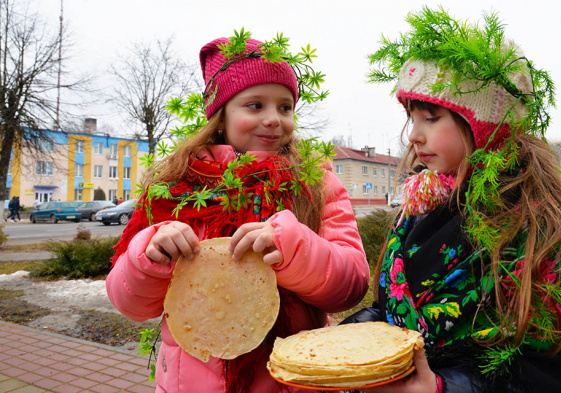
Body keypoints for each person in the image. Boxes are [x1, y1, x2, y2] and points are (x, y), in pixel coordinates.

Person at [343, 8, 561, 393]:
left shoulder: (537, 224)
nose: (413, 135)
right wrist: (349, 336)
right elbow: (399, 310)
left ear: (483, 126)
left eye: (431, 118)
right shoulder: (420, 206)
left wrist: (444, 388)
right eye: (413, 119)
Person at [106, 34, 369, 392]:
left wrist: (293, 249)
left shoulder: (315, 184)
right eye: (255, 105)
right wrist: (148, 256)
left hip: (291, 380)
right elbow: (131, 304)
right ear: (221, 115)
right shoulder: (179, 187)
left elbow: (350, 286)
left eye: (285, 107)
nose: (274, 119)